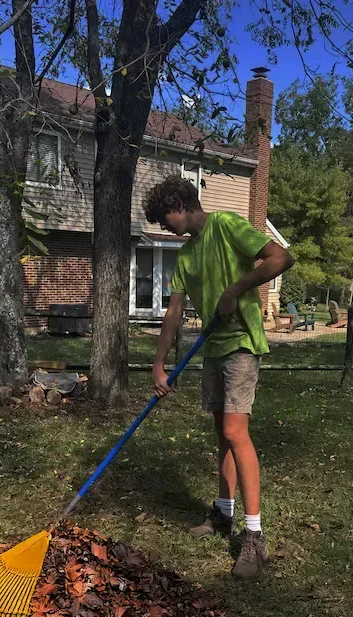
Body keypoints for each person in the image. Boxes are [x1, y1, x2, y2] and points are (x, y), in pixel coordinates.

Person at [143, 175, 294, 579]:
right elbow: (173, 312)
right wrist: (159, 364)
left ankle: (254, 535)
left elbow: (280, 258)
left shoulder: (227, 226)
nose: (165, 228)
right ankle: (224, 512)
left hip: (242, 342)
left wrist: (236, 289)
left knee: (234, 430)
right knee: (221, 434)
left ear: (179, 204)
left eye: (164, 219)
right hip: (213, 349)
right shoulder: (187, 256)